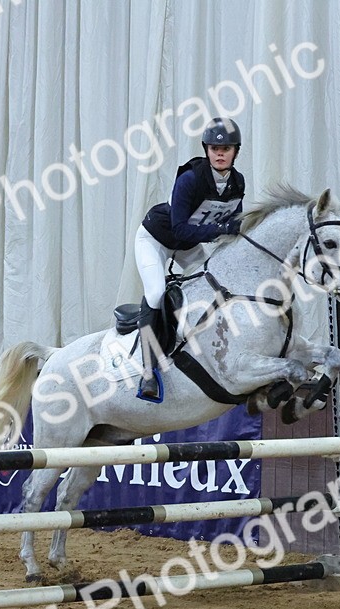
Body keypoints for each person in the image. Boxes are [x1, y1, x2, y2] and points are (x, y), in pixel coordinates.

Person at [133, 117, 246, 400]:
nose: (220, 153)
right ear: (206, 150)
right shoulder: (190, 179)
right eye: (214, 148)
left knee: (217, 288)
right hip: (156, 240)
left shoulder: (237, 182)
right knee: (157, 292)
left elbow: (235, 223)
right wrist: (222, 229)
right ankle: (148, 370)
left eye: (227, 148)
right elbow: (180, 228)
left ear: (236, 151)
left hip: (187, 246)